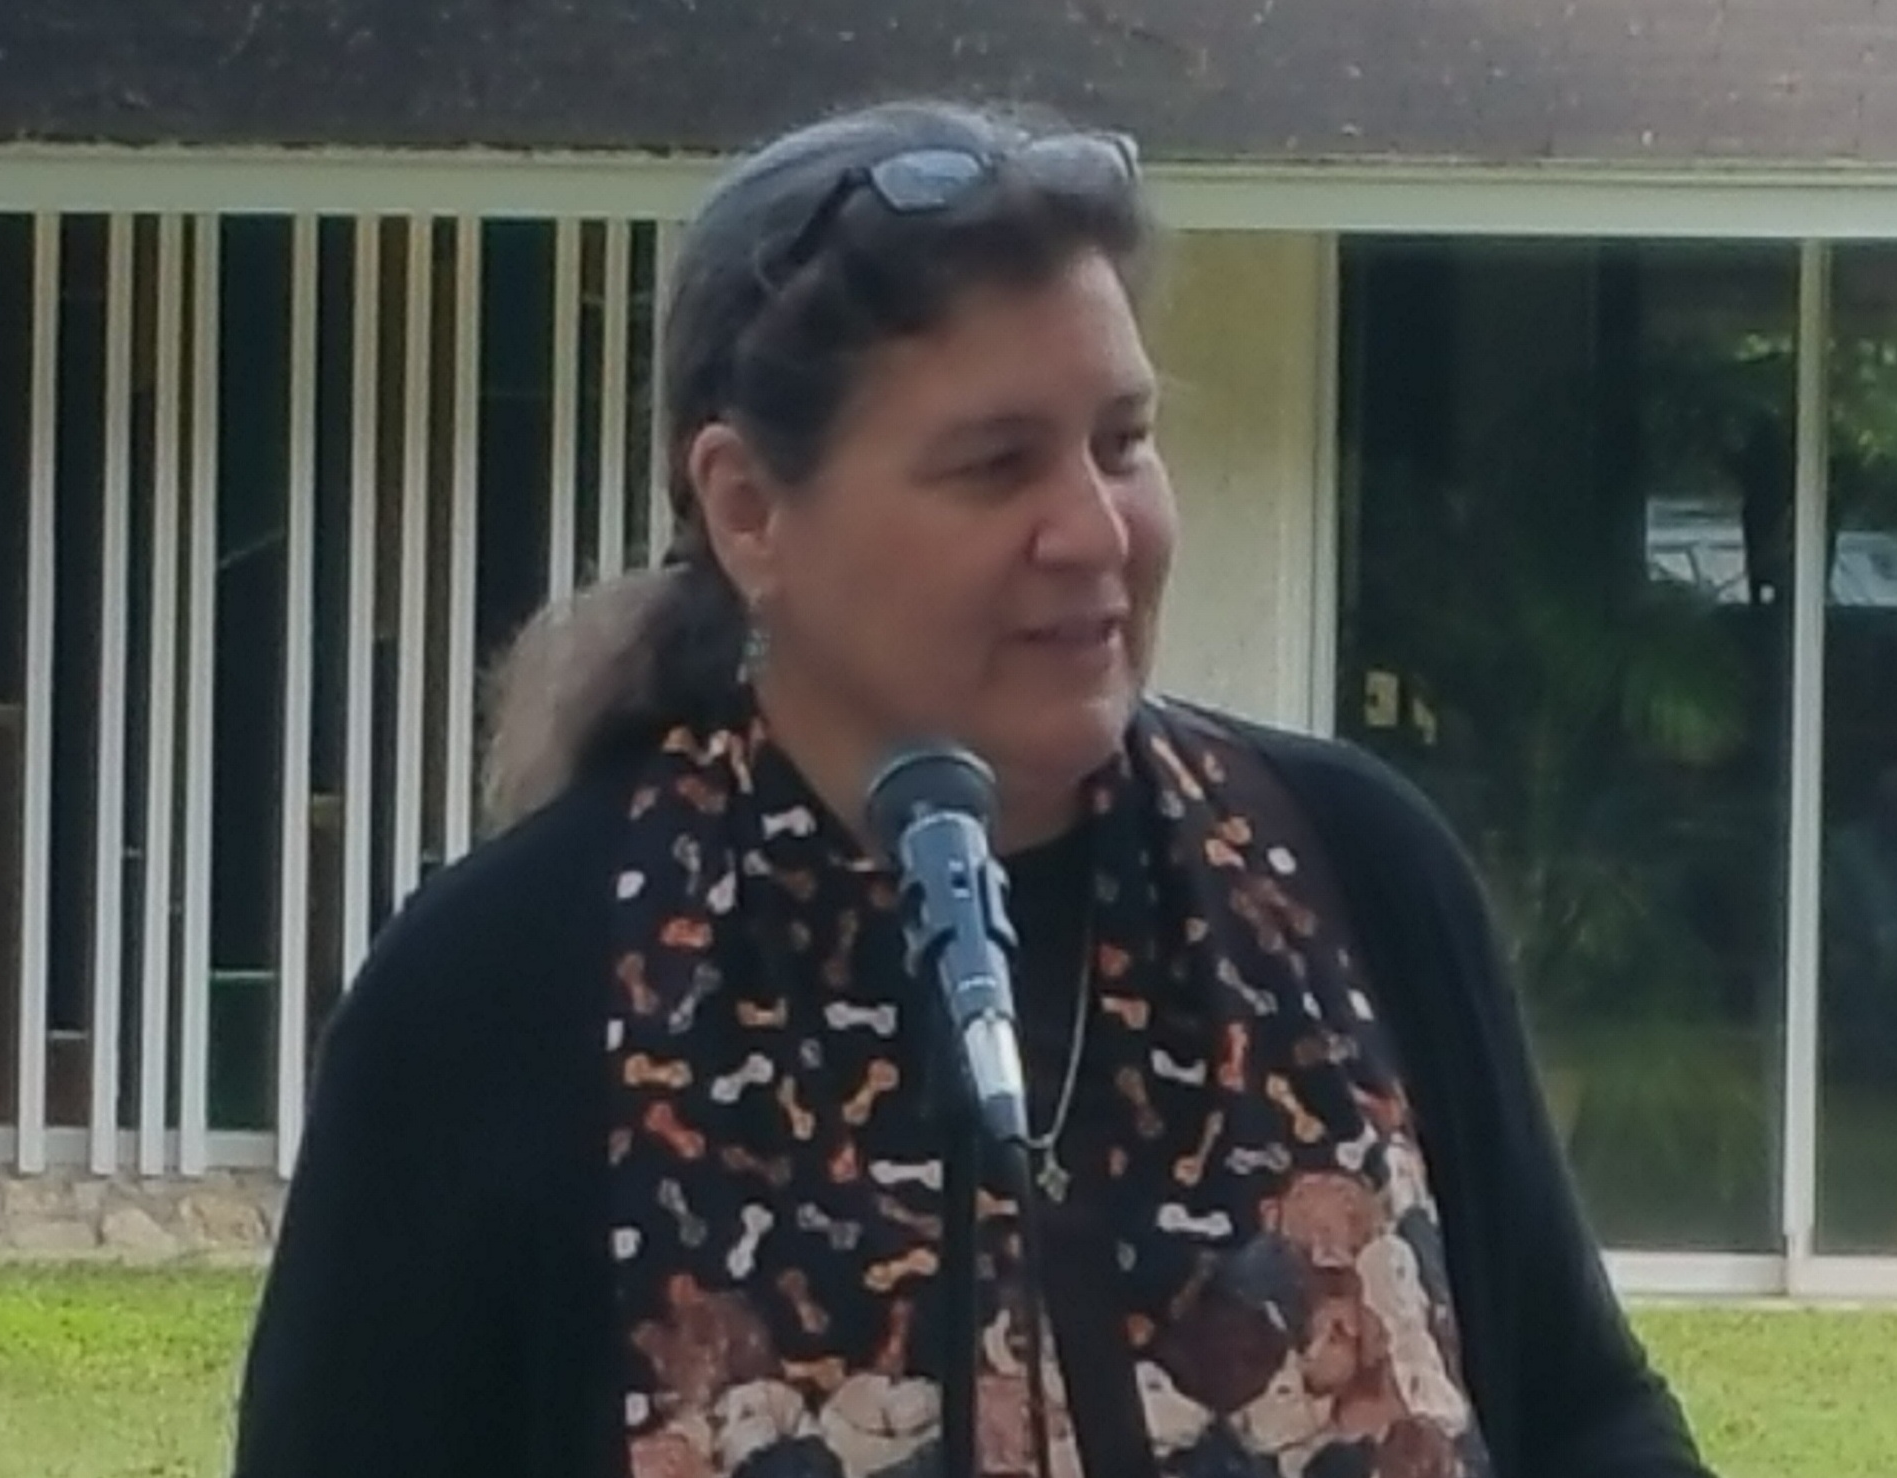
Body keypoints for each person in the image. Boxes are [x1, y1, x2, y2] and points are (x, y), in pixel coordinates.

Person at [232, 98, 1717, 1478]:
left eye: (1121, 443)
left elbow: (1582, 1415)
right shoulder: (504, 989)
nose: (1094, 531)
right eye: (996, 466)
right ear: (749, 511)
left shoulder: (1353, 871)